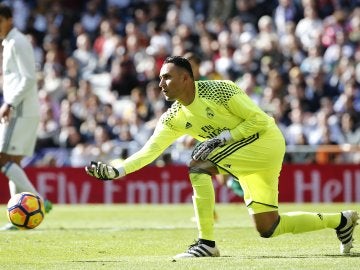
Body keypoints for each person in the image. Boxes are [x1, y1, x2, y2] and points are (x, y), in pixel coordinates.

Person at [86, 56, 358, 258]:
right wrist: (116, 171)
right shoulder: (173, 117)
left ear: (186, 78)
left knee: (198, 166)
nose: (161, 84)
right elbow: (149, 151)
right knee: (268, 227)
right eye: (159, 78)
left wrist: (223, 137)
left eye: (167, 77)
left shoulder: (219, 90)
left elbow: (260, 121)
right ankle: (341, 221)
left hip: (266, 142)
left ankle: (206, 243)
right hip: (248, 160)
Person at [0, 5, 52, 230]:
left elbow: (29, 78)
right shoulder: (10, 41)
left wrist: (9, 102)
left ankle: (39, 201)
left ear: (8, 19)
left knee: (3, 160)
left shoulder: (18, 42)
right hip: (24, 109)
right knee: (14, 164)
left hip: (19, 109)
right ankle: (17, 218)